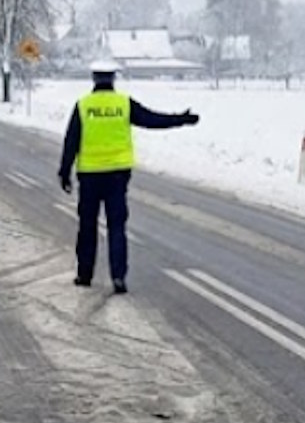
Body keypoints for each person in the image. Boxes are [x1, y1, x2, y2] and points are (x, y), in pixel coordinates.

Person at [58, 62, 199, 293]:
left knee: (87, 226)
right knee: (116, 227)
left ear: (94, 79)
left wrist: (64, 171)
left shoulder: (83, 105)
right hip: (117, 176)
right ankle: (119, 277)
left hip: (90, 176)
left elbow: (71, 141)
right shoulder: (123, 104)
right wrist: (180, 119)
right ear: (113, 79)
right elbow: (151, 119)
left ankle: (84, 275)